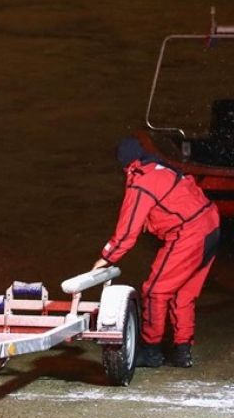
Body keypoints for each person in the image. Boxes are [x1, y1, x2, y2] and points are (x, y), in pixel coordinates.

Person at [92, 137, 220, 368]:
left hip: (188, 233)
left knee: (155, 291)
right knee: (183, 294)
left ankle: (151, 352)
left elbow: (127, 232)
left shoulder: (141, 182)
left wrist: (106, 257)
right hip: (210, 225)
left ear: (126, 165)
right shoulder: (161, 169)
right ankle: (183, 351)